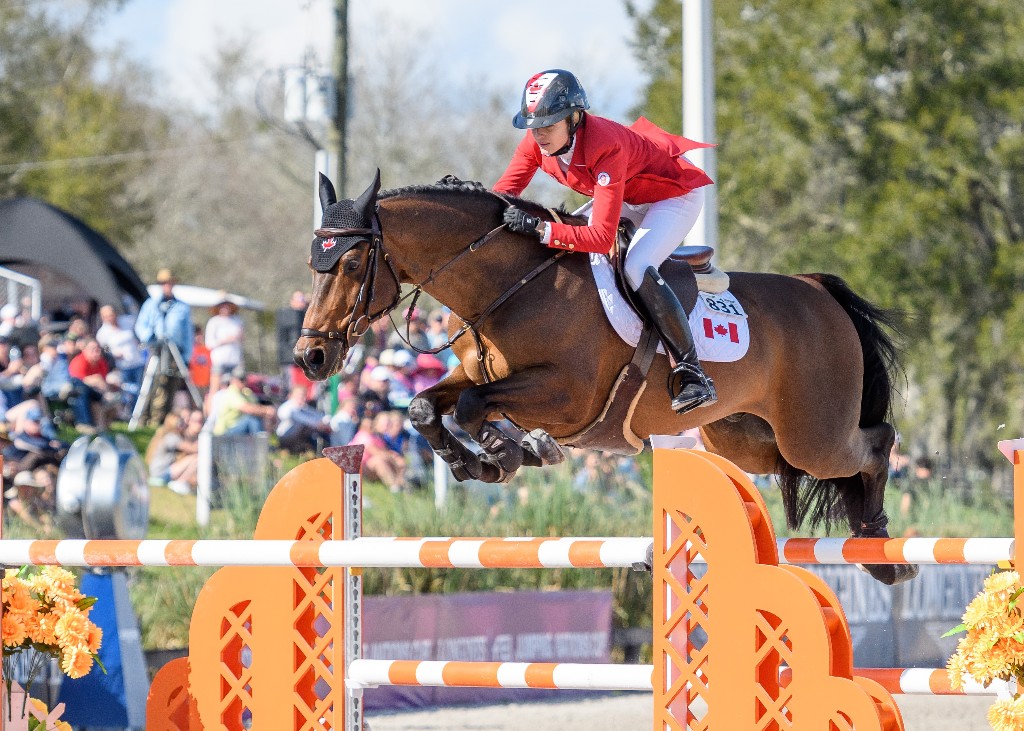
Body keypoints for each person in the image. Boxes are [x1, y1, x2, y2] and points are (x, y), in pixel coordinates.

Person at [494, 69, 717, 415]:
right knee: (567, 239)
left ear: (574, 118)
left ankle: (691, 372)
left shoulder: (604, 143)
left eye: (548, 126)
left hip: (672, 195)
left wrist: (540, 230)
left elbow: (599, 238)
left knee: (636, 266)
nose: (538, 136)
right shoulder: (535, 144)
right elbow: (503, 197)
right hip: (627, 192)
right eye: (534, 126)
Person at [134, 268, 194, 427]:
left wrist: (187, 356)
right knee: (153, 383)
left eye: (170, 283)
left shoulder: (182, 307)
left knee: (170, 385)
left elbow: (188, 333)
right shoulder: (151, 304)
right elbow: (141, 325)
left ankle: (161, 419)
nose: (167, 286)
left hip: (175, 351)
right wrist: (149, 336)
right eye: (164, 283)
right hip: (157, 349)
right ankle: (145, 418)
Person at [210, 366, 274, 436]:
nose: (243, 382)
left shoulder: (246, 392)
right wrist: (266, 410)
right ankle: (260, 443)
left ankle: (266, 439)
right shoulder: (230, 393)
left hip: (239, 430)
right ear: (233, 380)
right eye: (240, 379)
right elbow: (248, 409)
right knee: (251, 419)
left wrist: (268, 412)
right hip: (225, 432)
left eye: (244, 379)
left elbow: (255, 407)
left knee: (258, 416)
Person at [276, 385, 331, 455]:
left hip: (298, 438)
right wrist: (318, 424)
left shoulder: (303, 407)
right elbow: (301, 419)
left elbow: (319, 416)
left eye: (304, 395)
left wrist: (323, 423)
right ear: (291, 395)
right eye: (299, 395)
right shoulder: (287, 407)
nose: (302, 398)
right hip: (286, 439)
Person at [205, 294, 244, 392]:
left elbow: (241, 340)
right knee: (215, 388)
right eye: (222, 306)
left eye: (227, 306)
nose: (225, 308)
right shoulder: (214, 322)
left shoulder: (237, 321)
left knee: (235, 389)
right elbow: (209, 344)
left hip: (234, 360)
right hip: (219, 360)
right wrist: (225, 340)